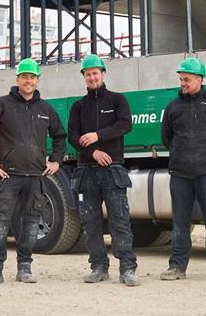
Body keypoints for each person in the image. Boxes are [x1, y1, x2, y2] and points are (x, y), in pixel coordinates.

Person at [0, 58, 66, 286]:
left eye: (32, 77)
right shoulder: (2, 104)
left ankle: (24, 266)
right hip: (8, 176)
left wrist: (56, 161)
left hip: (36, 177)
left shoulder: (45, 109)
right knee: (0, 221)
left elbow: (60, 136)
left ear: (38, 80)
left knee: (31, 222)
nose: (28, 81)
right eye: (24, 76)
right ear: (17, 79)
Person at [67, 54, 139, 287]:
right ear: (84, 78)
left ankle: (127, 268)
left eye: (95, 73)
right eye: (88, 74)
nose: (92, 77)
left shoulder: (117, 101)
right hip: (86, 171)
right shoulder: (78, 107)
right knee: (90, 222)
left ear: (103, 74)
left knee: (120, 221)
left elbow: (125, 124)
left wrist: (98, 136)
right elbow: (73, 137)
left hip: (113, 170)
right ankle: (98, 266)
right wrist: (93, 153)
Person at [159, 57, 206, 282]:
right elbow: (166, 138)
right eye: (181, 79)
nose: (183, 83)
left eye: (187, 79)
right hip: (180, 174)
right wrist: (182, 156)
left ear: (200, 79)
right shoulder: (173, 108)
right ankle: (177, 267)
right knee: (180, 222)